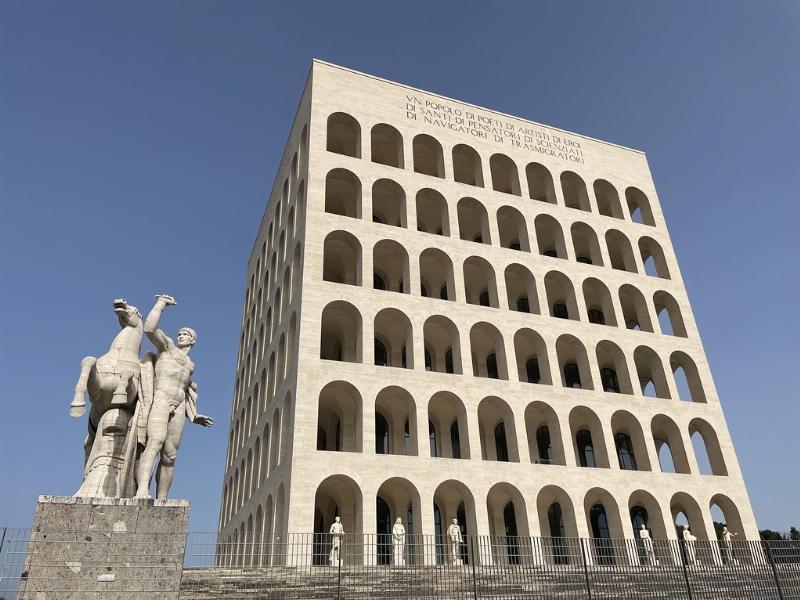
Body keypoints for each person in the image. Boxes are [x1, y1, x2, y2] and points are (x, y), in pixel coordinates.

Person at [135, 294, 213, 499]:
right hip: (161, 397)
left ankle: (162, 499)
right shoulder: (168, 348)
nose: (180, 335)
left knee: (170, 455)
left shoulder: (190, 365)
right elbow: (150, 328)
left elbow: (187, 393)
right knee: (155, 442)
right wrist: (160, 304)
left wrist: (194, 415)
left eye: (185, 334)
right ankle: (143, 490)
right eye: (179, 333)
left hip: (178, 406)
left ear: (193, 340)